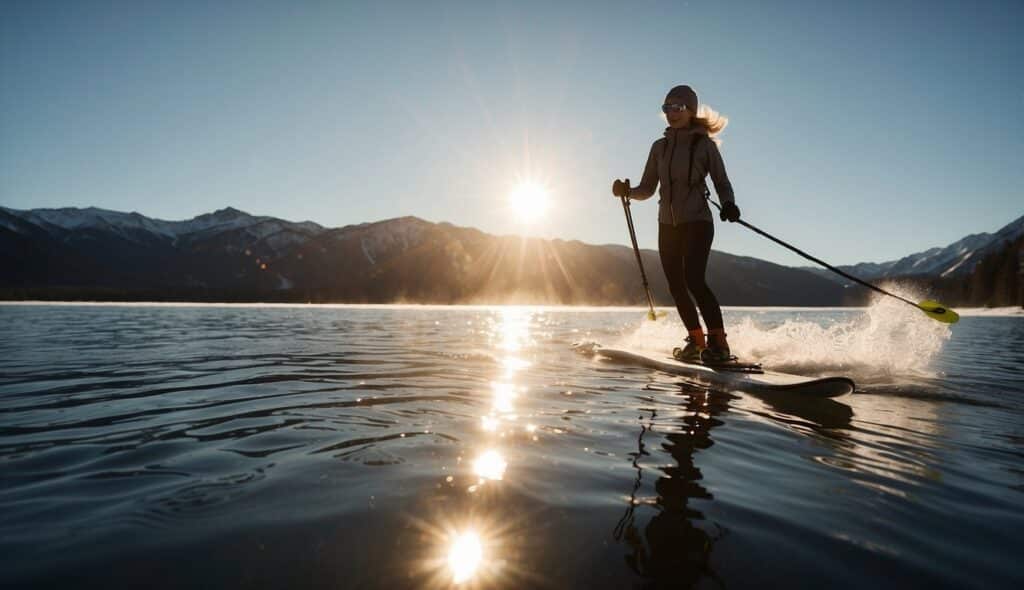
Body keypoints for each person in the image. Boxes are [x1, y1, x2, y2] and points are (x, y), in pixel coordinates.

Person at [612, 85, 741, 364]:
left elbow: (721, 182)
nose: (671, 112)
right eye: (667, 107)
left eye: (677, 107)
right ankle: (695, 342)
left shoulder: (704, 145)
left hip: (698, 221)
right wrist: (628, 192)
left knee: (694, 279)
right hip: (666, 224)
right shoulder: (659, 147)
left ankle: (719, 344)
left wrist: (729, 203)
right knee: (675, 284)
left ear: (690, 110)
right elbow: (647, 188)